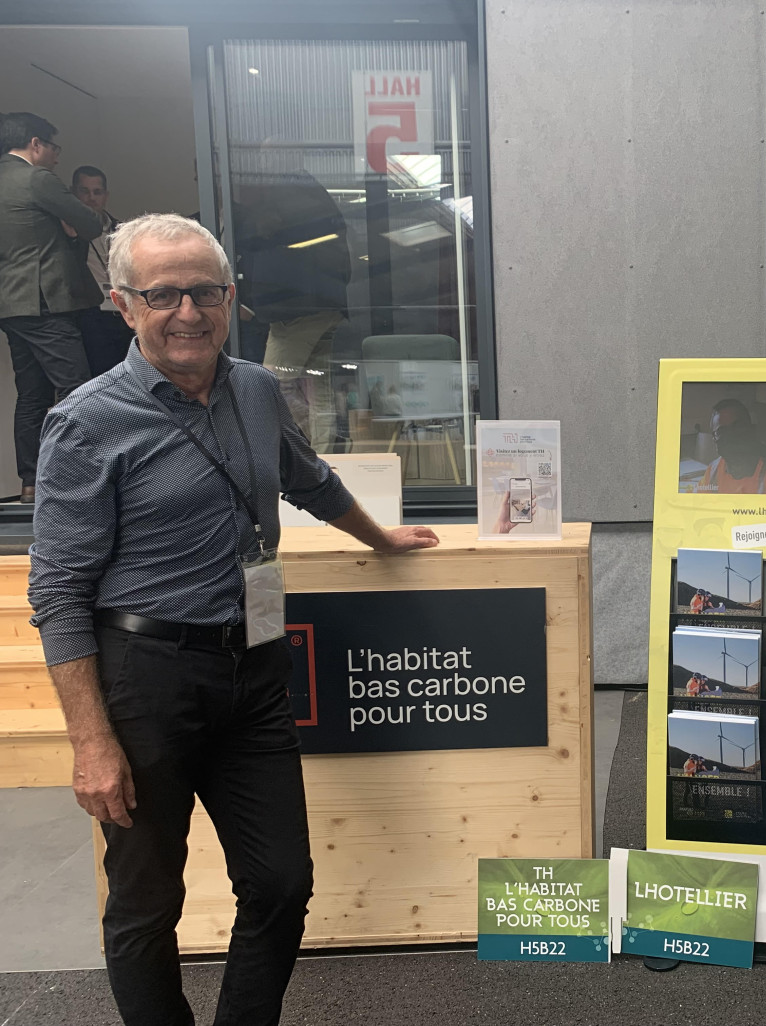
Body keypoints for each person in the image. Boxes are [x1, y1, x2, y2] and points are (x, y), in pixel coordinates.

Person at [27, 213, 439, 1026]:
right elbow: (59, 593)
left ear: (231, 297)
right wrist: (90, 741)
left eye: (204, 291)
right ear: (122, 304)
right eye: (164, 294)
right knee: (148, 902)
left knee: (283, 882)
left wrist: (381, 536)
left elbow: (307, 479)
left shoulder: (254, 387)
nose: (188, 312)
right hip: (146, 681)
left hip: (253, 667)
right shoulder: (85, 421)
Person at [0, 112, 102, 503]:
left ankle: (31, 483)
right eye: (54, 148)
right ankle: (80, 480)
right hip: (46, 301)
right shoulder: (36, 179)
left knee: (31, 394)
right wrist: (70, 226)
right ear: (36, 144)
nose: (57, 158)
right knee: (77, 386)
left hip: (11, 305)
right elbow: (91, 223)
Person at [235, 166, 351, 452]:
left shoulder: (277, 200)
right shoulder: (311, 193)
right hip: (325, 305)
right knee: (320, 391)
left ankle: (304, 455)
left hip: (294, 311)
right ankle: (322, 459)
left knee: (272, 388)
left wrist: (252, 301)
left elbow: (262, 248)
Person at [71, 165, 135, 376]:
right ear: (74, 193)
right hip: (91, 315)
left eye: (97, 192)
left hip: (124, 312)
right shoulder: (68, 234)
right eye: (84, 191)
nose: (91, 198)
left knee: (131, 375)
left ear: (106, 196)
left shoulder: (122, 231)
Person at [698, 397, 766, 494]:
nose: (732, 436)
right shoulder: (713, 469)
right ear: (714, 439)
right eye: (722, 431)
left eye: (738, 426)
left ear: (751, 429)